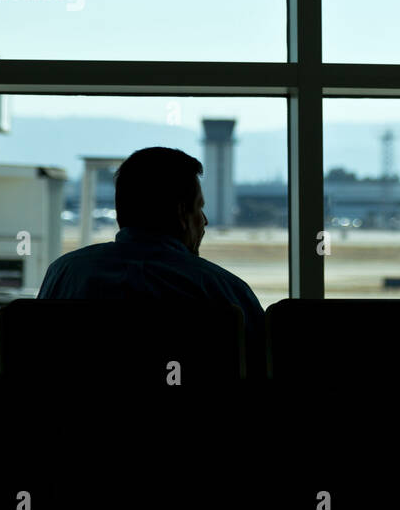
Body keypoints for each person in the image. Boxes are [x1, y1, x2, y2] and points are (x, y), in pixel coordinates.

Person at [37, 146, 265, 375]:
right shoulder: (225, 292)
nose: (204, 221)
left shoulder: (64, 275)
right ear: (182, 214)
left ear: (120, 213)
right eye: (199, 209)